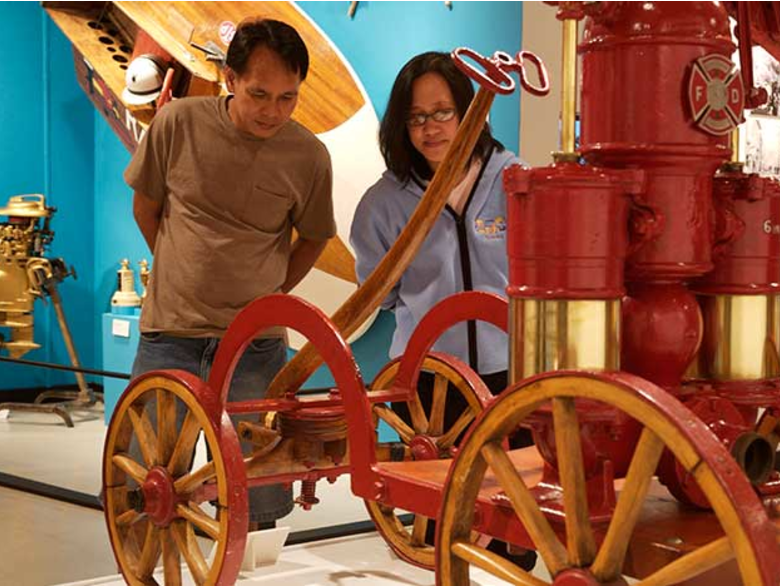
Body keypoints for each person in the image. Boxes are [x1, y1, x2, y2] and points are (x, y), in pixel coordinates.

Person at [125, 18, 336, 530]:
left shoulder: (309, 155)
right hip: (170, 331)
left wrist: (272, 292)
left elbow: (313, 237)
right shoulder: (177, 124)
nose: (273, 111)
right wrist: (180, 270)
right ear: (230, 79)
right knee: (147, 485)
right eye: (260, 94)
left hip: (255, 344)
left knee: (258, 493)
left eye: (288, 98)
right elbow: (145, 209)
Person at [350, 51, 535, 570]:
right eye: (416, 117)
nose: (430, 128)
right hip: (430, 381)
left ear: (469, 112)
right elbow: (380, 293)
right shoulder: (382, 204)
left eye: (443, 112)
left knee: (518, 514)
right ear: (400, 125)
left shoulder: (513, 179)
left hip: (510, 370)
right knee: (447, 518)